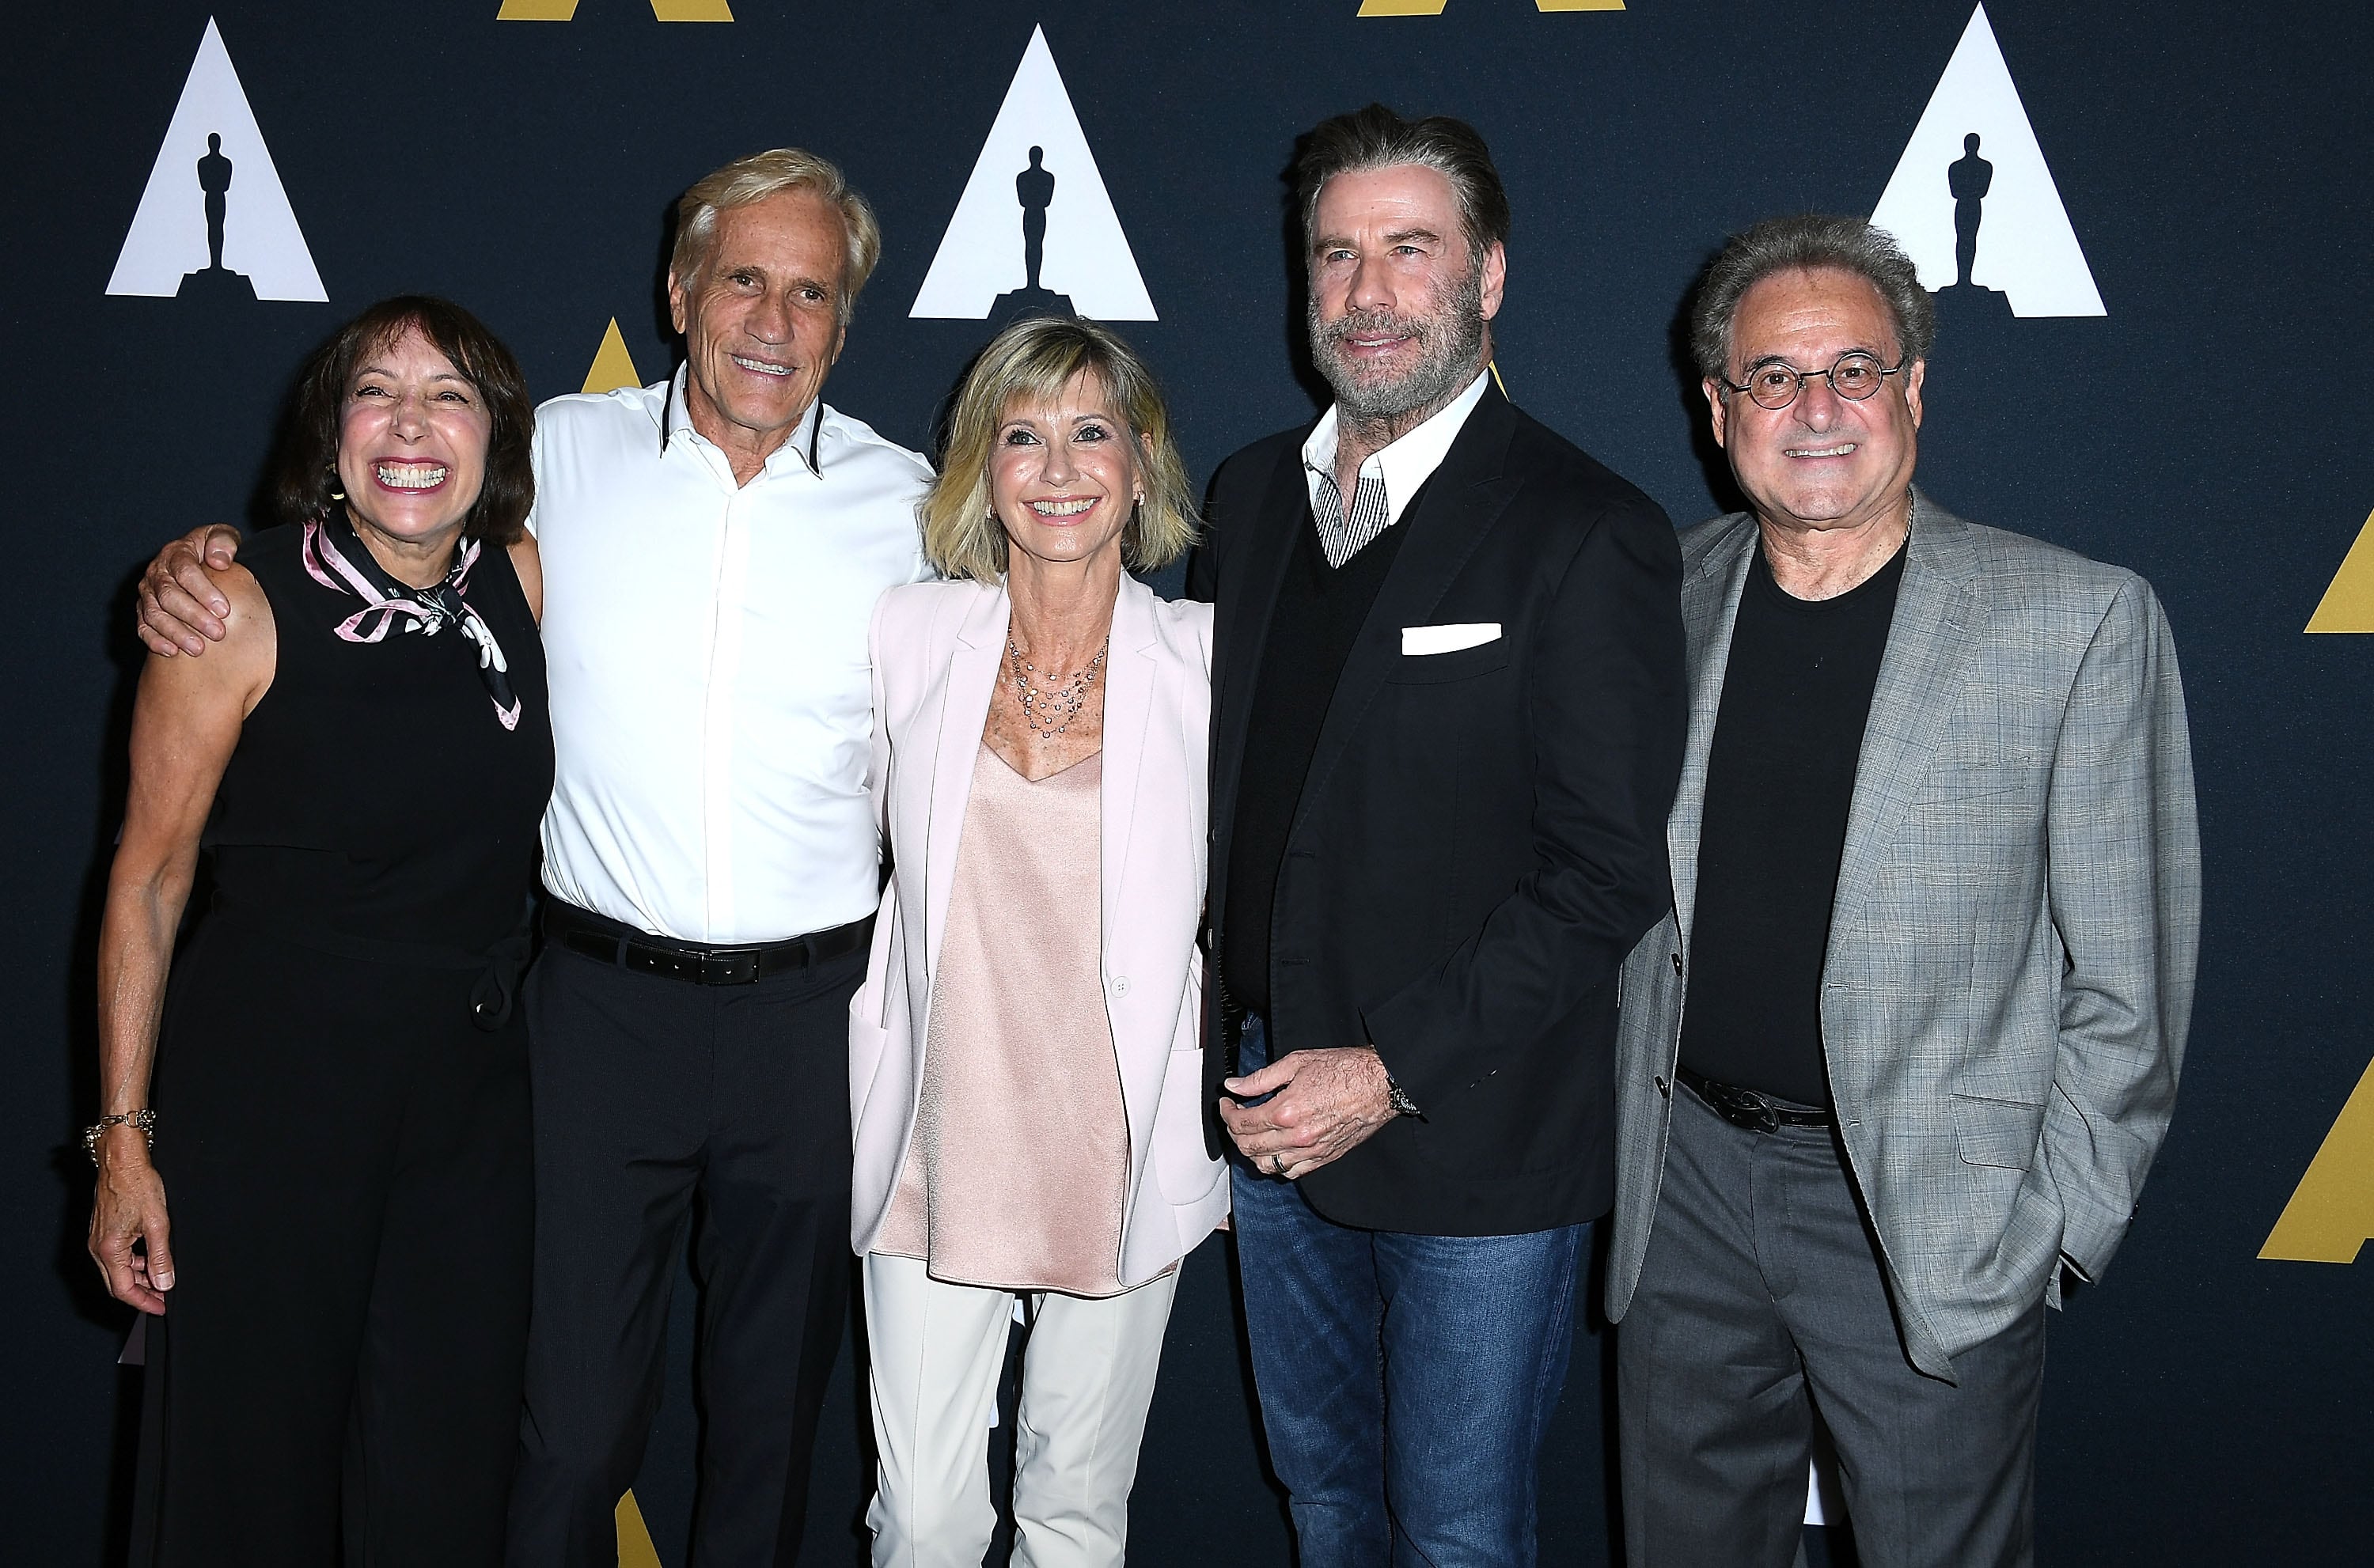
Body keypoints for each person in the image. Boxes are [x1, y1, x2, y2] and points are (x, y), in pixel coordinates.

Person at [135, 149, 934, 1568]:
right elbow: (376, 530)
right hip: (592, 1017)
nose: (771, 317)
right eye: (742, 276)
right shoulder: (555, 452)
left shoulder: (915, 504)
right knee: (557, 1435)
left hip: (817, 1025)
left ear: (844, 323)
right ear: (680, 293)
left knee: (771, 1429)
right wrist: (199, 560)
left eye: (811, 291)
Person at [1603, 214, 2199, 1566]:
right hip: (1683, 1186)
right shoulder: (1662, 595)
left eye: (1854, 370)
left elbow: (2132, 981)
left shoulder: (2076, 619)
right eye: (1774, 377)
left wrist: (2043, 1223)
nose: (1816, 408)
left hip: (1925, 1208)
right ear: (1720, 409)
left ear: (1914, 391)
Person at [1186, 105, 1687, 1566]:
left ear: (1490, 276)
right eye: (1334, 255)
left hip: (1474, 1131)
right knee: (1326, 1499)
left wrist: (1390, 1069)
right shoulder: (1250, 498)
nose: (1366, 291)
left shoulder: (1585, 525)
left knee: (1461, 1533)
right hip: (1269, 1097)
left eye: (1411, 251)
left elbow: (1609, 871)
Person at [91, 295, 548, 1566]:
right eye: (378, 391)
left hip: (468, 1110)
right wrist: (124, 1146)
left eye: (450, 395)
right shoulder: (232, 609)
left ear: (494, 435)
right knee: (248, 1470)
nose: (412, 424)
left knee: (442, 1474)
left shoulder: (518, 578)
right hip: (272, 1098)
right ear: (331, 428)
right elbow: (146, 881)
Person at [851, 315, 1224, 1566]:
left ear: (1140, 463)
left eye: (1089, 433)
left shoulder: (1205, 663)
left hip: (1115, 1138)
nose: (1057, 467)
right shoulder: (906, 636)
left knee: (1075, 1515)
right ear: (980, 467)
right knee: (926, 1517)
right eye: (1022, 434)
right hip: (939, 1136)